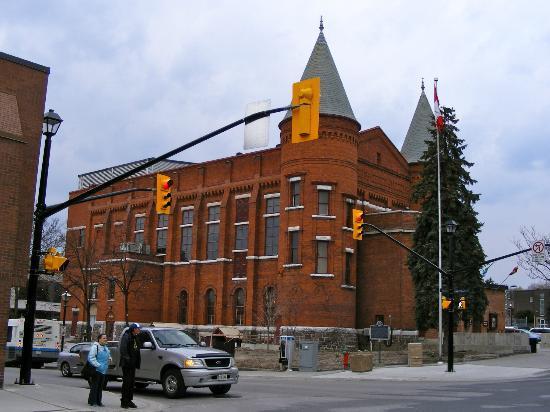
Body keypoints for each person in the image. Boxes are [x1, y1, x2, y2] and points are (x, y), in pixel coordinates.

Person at [120, 323, 142, 409]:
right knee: (127, 382)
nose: (139, 330)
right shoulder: (126, 336)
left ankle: (129, 400)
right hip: (127, 364)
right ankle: (124, 401)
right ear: (133, 329)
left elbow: (137, 349)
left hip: (133, 364)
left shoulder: (135, 337)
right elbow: (123, 349)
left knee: (131, 383)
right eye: (138, 328)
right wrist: (128, 359)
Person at [87, 333, 111, 407]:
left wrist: (110, 358)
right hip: (97, 370)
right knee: (95, 386)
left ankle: (98, 401)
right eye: (104, 338)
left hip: (103, 370)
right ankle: (92, 401)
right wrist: (98, 365)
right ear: (99, 339)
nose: (105, 339)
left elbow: (108, 355)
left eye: (106, 338)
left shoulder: (105, 347)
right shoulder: (95, 347)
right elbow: (91, 358)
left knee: (100, 387)